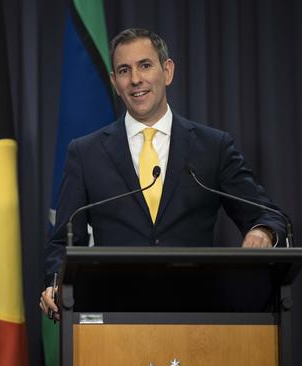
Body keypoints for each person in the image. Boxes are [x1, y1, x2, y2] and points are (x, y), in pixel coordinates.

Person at [39, 28, 286, 318]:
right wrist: (55, 284)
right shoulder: (85, 153)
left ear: (167, 71)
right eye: (124, 70)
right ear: (114, 82)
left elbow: (268, 215)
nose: (135, 80)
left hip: (199, 319)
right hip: (115, 322)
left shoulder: (212, 146)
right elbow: (63, 242)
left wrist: (263, 231)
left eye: (145, 65)